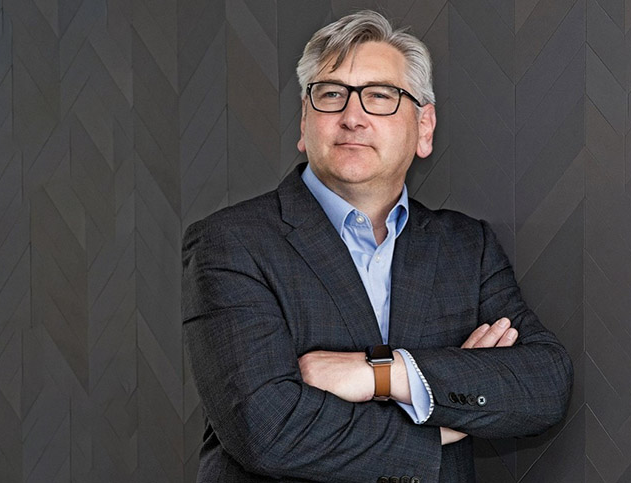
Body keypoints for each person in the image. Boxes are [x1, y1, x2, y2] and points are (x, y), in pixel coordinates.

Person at [182, 10, 573, 483]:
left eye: (380, 96)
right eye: (331, 94)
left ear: (424, 128)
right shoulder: (230, 244)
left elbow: (544, 384)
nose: (352, 117)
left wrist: (382, 375)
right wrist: (445, 421)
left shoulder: (466, 247)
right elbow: (267, 431)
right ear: (305, 122)